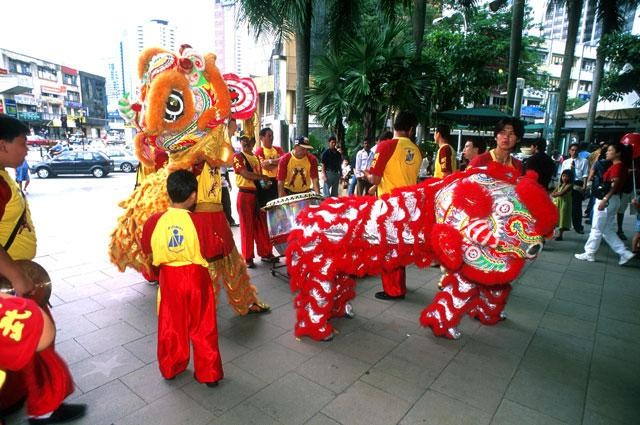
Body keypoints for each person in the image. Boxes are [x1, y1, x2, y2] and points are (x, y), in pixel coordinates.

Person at [0, 114, 86, 424]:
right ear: (2, 145)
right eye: (22, 144)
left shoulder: (5, 176)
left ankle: (38, 401)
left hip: (14, 279)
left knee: (33, 341)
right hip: (11, 285)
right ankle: (42, 404)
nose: (26, 150)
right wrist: (16, 274)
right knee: (38, 336)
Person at [140, 170, 223, 386]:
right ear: (193, 195)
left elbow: (146, 247)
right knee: (203, 324)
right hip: (196, 278)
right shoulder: (199, 222)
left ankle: (171, 366)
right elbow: (214, 249)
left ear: (169, 193)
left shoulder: (154, 221)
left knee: (171, 323)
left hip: (169, 278)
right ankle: (209, 372)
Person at [364, 111, 421, 300]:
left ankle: (394, 289)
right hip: (409, 205)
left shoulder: (386, 146)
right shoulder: (416, 150)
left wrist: (367, 176)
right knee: (400, 246)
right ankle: (400, 285)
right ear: (411, 129)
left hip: (389, 206)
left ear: (393, 125)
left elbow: (375, 177)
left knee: (389, 248)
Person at [575, 142, 635, 265]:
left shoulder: (617, 167)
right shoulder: (619, 166)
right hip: (613, 200)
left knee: (597, 228)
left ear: (617, 153)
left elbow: (615, 185)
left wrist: (605, 199)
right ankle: (624, 253)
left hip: (606, 200)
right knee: (607, 230)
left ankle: (590, 253)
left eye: (610, 150)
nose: (607, 152)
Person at [233, 136, 277, 268]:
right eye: (243, 140)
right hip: (245, 194)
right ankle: (248, 257)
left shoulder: (256, 158)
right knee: (247, 227)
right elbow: (245, 174)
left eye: (248, 140)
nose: (245, 142)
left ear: (253, 142)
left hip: (258, 195)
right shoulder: (237, 156)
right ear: (240, 142)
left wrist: (265, 183)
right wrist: (262, 177)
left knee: (262, 225)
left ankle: (266, 252)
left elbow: (258, 178)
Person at [559, 143, 588, 234]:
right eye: (572, 150)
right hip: (566, 183)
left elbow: (585, 174)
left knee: (576, 207)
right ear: (569, 151)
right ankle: (562, 228)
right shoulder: (565, 162)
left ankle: (578, 226)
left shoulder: (584, 161)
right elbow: (561, 175)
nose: (574, 152)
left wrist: (584, 186)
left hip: (577, 183)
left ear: (579, 151)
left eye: (576, 150)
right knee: (564, 206)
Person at [255, 127, 283, 206]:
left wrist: (270, 161)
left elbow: (283, 161)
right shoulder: (259, 151)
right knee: (267, 205)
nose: (272, 138)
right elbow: (265, 166)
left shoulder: (278, 149)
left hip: (278, 180)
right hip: (266, 181)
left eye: (272, 136)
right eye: (269, 136)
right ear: (261, 138)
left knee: (278, 205)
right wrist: (277, 162)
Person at [584, 143, 610, 223]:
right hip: (606, 185)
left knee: (594, 201)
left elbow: (591, 175)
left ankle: (592, 218)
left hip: (596, 183)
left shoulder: (598, 162)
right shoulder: (611, 163)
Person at [551, 170, 573, 241]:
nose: (564, 178)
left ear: (570, 177)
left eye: (567, 176)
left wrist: (555, 194)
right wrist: (555, 194)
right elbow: (553, 193)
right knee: (554, 218)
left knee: (562, 219)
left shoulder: (569, 185)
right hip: (557, 203)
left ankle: (560, 235)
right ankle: (552, 233)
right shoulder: (560, 184)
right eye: (563, 176)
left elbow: (561, 193)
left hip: (564, 204)